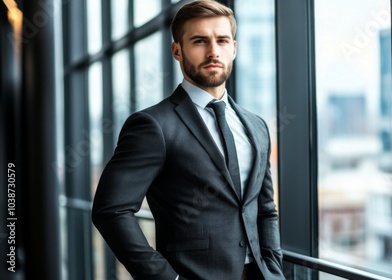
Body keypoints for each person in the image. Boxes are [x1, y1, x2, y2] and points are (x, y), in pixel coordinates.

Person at [91, 1, 285, 279]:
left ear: (234, 48)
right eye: (199, 41)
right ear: (177, 50)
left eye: (222, 40)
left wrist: (273, 268)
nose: (213, 51)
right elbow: (111, 210)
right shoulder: (152, 125)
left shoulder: (256, 125)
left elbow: (265, 209)